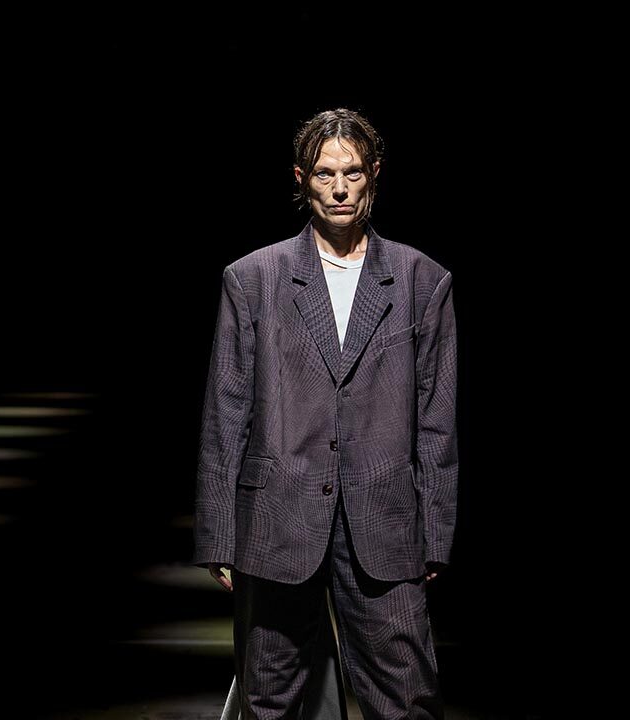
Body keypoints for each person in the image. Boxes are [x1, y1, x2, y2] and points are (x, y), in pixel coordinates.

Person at [192, 107, 458, 719]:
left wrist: (436, 534)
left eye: (353, 173)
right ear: (301, 178)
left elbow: (437, 421)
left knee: (407, 698)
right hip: (277, 518)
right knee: (269, 697)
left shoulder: (422, 281)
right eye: (324, 174)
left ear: (375, 175)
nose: (339, 188)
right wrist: (218, 532)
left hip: (385, 520)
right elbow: (225, 412)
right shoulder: (253, 279)